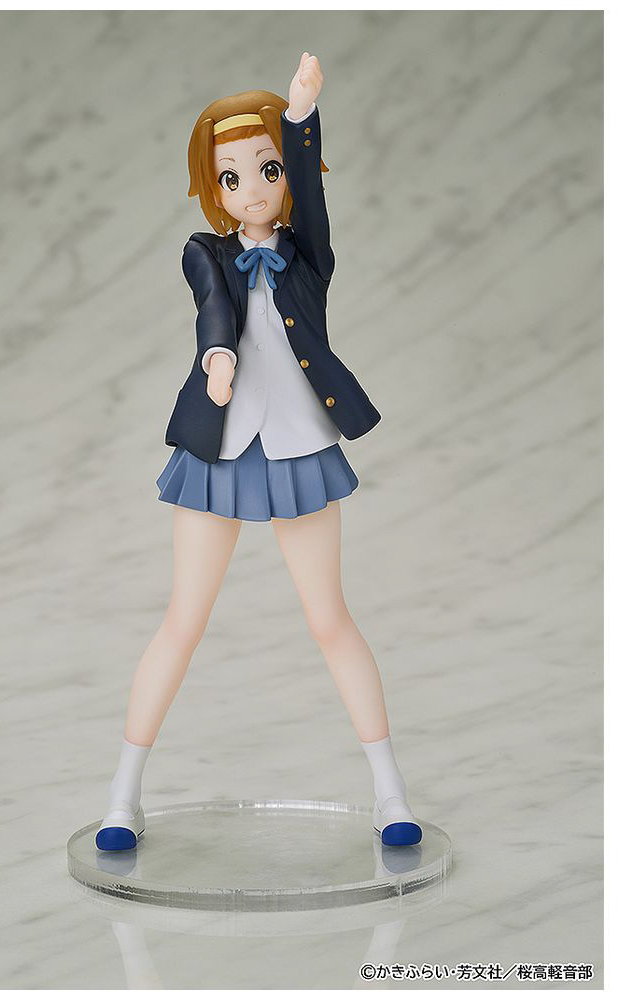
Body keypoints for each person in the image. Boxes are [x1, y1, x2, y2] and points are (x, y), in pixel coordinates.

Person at [96, 53, 422, 851]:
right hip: (219, 452)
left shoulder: (310, 256)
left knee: (330, 618)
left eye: (266, 168)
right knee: (183, 622)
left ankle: (389, 791)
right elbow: (212, 305)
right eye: (231, 176)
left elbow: (310, 192)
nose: (252, 188)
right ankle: (122, 795)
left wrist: (302, 116)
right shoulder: (205, 251)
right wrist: (217, 358)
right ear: (213, 188)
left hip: (299, 449)